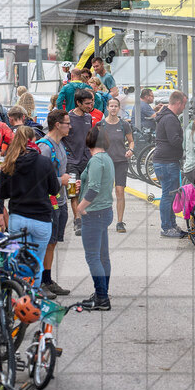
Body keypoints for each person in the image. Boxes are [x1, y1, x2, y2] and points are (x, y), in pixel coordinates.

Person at [0, 125, 60, 294]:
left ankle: (19, 292)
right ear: (32, 140)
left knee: (20, 259)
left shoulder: (9, 162)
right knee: (37, 261)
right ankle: (33, 296)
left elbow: (2, 193)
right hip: (41, 218)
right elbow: (54, 189)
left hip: (18, 217)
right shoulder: (44, 162)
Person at [76, 125, 115, 311]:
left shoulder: (96, 161)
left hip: (94, 212)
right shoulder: (106, 159)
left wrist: (80, 207)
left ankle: (102, 298)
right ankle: (102, 292)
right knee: (103, 257)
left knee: (93, 257)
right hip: (105, 210)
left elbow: (94, 188)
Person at [36, 108, 73, 298]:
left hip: (60, 199)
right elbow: (38, 178)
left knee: (53, 243)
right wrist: (61, 181)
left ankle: (48, 279)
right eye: (67, 123)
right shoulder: (44, 147)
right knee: (45, 243)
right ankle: (40, 282)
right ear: (57, 125)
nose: (70, 126)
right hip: (48, 201)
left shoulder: (59, 144)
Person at [154, 90, 188, 238]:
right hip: (166, 162)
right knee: (168, 195)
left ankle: (172, 225)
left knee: (171, 195)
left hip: (165, 161)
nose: (184, 108)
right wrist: (187, 143)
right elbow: (175, 140)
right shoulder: (170, 119)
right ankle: (167, 227)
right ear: (178, 103)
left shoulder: (167, 116)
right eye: (184, 104)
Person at [99, 97, 134, 232]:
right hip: (105, 162)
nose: (113, 108)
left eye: (116, 106)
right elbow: (95, 143)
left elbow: (131, 141)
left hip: (120, 162)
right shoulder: (101, 125)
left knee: (120, 191)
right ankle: (102, 220)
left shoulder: (124, 125)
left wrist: (131, 150)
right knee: (104, 192)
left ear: (119, 108)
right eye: (111, 106)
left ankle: (120, 222)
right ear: (107, 108)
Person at [65, 89, 96, 236]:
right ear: (78, 103)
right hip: (71, 161)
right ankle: (77, 221)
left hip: (86, 160)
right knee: (73, 192)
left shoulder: (88, 117)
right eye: (87, 103)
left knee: (85, 191)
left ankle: (84, 217)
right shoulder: (67, 118)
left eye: (92, 103)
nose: (90, 106)